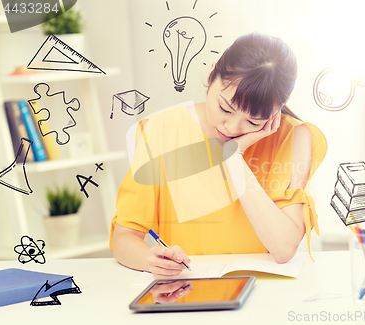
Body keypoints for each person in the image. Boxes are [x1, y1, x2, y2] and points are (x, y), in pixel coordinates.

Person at [110, 32, 327, 279]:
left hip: (264, 289)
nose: (232, 128)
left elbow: (283, 248)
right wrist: (149, 259)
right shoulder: (160, 131)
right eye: (225, 108)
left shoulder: (293, 137)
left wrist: (234, 157)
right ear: (212, 74)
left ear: (275, 113)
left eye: (253, 120)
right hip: (188, 287)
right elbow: (125, 237)